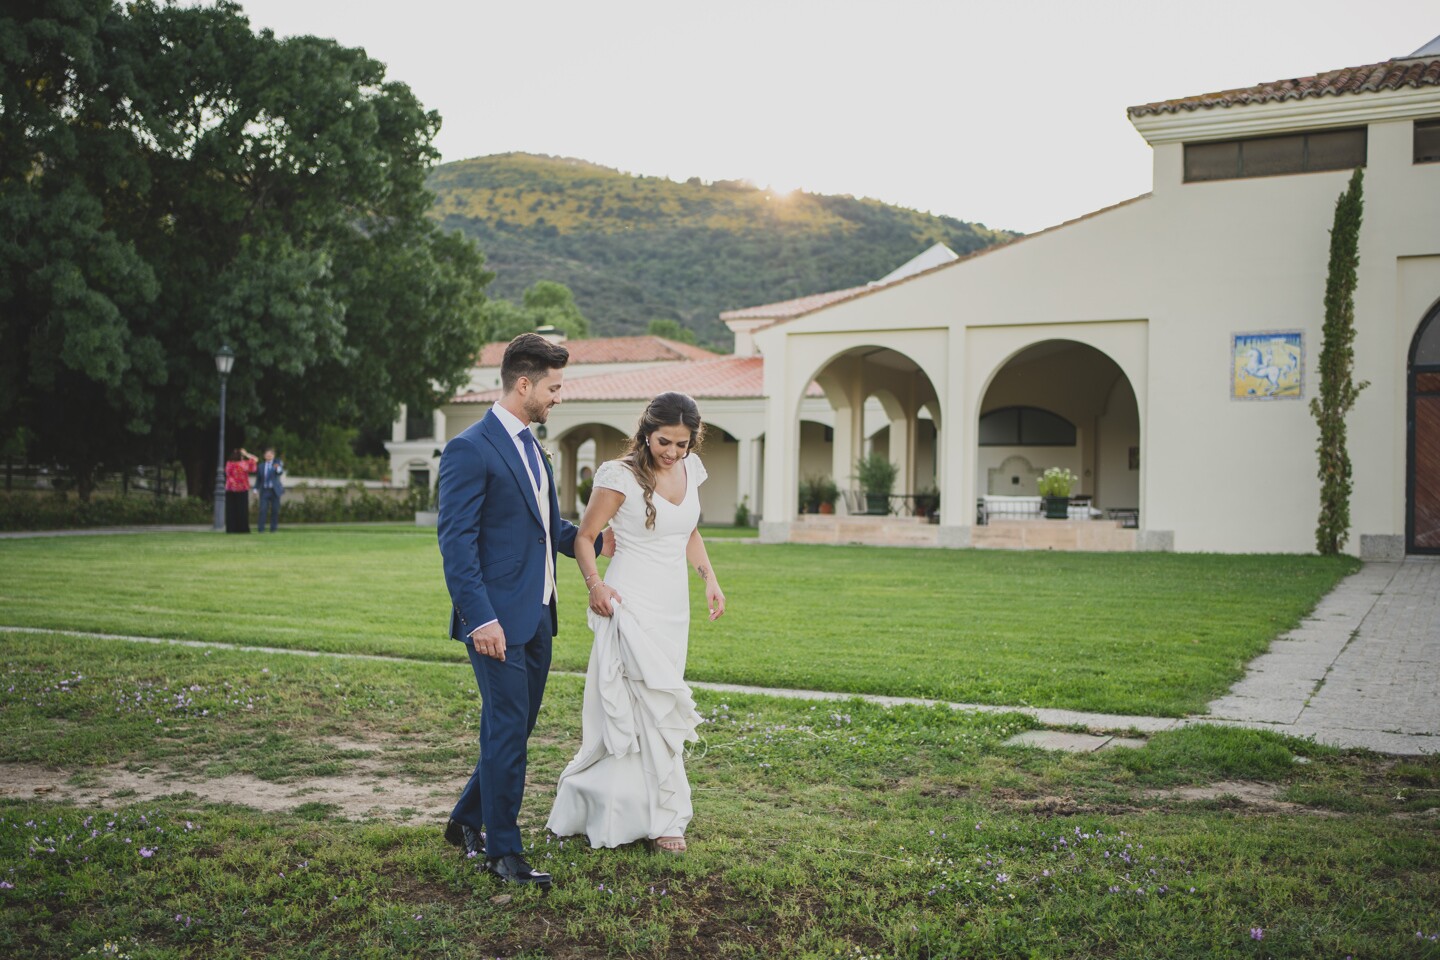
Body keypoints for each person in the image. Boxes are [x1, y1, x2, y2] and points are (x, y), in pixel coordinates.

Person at [436, 332, 612, 891]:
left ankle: (465, 819)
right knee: (509, 728)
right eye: (553, 388)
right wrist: (480, 618)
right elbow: (456, 544)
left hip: (538, 614)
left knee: (515, 727)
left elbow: (542, 527)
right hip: (494, 620)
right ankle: (504, 853)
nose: (559, 397)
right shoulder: (470, 448)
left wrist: (594, 540)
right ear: (523, 384)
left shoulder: (533, 447)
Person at [547, 392, 726, 855]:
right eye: (665, 442)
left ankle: (661, 811)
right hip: (629, 600)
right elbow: (585, 537)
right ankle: (629, 814)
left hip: (673, 607)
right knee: (631, 704)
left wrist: (709, 578)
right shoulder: (619, 475)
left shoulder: (691, 470)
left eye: (682, 444)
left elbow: (688, 531)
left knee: (662, 703)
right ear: (647, 433)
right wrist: (595, 585)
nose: (673, 452)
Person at [224, 448, 257, 533]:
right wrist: (247, 454)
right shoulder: (244, 464)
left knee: (231, 510)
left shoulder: (229, 464)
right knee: (242, 510)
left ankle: (231, 529)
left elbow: (227, 474)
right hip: (242, 488)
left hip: (230, 488)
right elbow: (255, 460)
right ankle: (242, 528)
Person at [255, 447, 285, 532]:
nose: (268, 456)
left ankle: (273, 529)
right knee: (263, 510)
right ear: (264, 456)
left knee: (275, 510)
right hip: (264, 490)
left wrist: (277, 467)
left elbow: (280, 472)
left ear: (273, 455)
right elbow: (258, 479)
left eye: (270, 454)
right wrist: (255, 489)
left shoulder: (277, 464)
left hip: (274, 491)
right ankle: (261, 529)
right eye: (267, 454)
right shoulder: (261, 466)